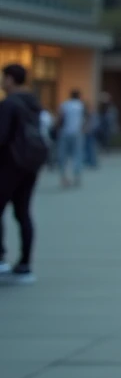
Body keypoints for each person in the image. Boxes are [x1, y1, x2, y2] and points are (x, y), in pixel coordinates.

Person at [0, 64, 43, 284]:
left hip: (9, 164)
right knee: (23, 212)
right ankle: (25, 264)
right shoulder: (33, 103)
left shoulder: (9, 104)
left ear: (10, 79)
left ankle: (1, 259)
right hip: (30, 164)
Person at [56, 90, 86, 188]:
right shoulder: (81, 106)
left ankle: (64, 177)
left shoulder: (65, 105)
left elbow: (60, 118)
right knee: (77, 154)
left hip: (65, 132)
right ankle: (76, 176)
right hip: (77, 132)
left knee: (63, 155)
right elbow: (85, 119)